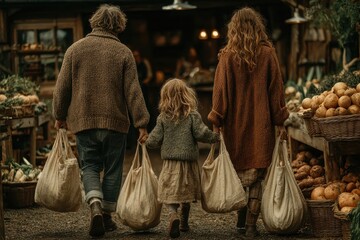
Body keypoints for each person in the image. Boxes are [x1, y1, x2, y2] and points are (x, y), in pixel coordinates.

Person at [52, 4, 150, 238]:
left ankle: (94, 204)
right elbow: (133, 92)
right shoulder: (123, 52)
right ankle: (106, 216)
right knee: (114, 168)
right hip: (115, 123)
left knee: (90, 165)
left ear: (94, 21)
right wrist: (142, 122)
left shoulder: (75, 50)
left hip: (83, 121)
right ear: (118, 26)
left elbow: (61, 88)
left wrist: (59, 115)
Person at [207, 7, 289, 239]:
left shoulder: (226, 57)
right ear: (257, 27)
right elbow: (277, 92)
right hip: (260, 125)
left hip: (235, 126)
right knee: (256, 175)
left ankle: (242, 219)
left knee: (239, 172)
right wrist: (280, 120)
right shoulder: (267, 54)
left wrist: (217, 121)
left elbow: (219, 93)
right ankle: (251, 225)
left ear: (233, 30)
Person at [144, 78, 219, 239]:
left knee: (170, 192)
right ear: (187, 95)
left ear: (165, 97)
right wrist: (215, 137)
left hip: (170, 164)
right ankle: (184, 222)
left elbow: (154, 140)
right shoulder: (193, 115)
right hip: (189, 163)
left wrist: (147, 141)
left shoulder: (163, 117)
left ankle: (173, 214)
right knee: (186, 193)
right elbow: (201, 133)